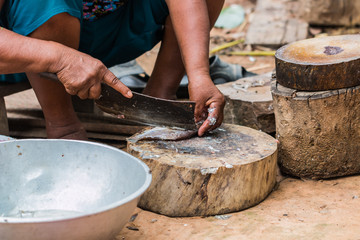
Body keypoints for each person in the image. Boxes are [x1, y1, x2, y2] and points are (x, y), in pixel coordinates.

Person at [0, 0, 225, 140]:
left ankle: (160, 93)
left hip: (106, 38)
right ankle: (62, 125)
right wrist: (60, 59)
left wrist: (198, 74)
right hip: (22, 54)